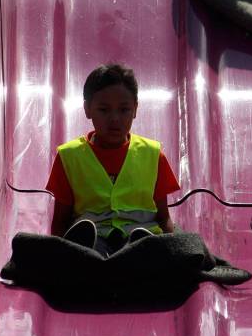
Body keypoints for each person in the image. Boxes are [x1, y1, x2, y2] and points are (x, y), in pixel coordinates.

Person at [48, 64, 180, 257]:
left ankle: (136, 250)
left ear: (135, 109)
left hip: (141, 234)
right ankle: (90, 255)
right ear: (87, 109)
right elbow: (60, 221)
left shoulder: (153, 154)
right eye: (104, 110)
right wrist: (57, 254)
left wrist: (173, 249)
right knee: (90, 252)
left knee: (146, 248)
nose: (114, 119)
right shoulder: (69, 156)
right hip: (94, 237)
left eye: (124, 110)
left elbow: (163, 216)